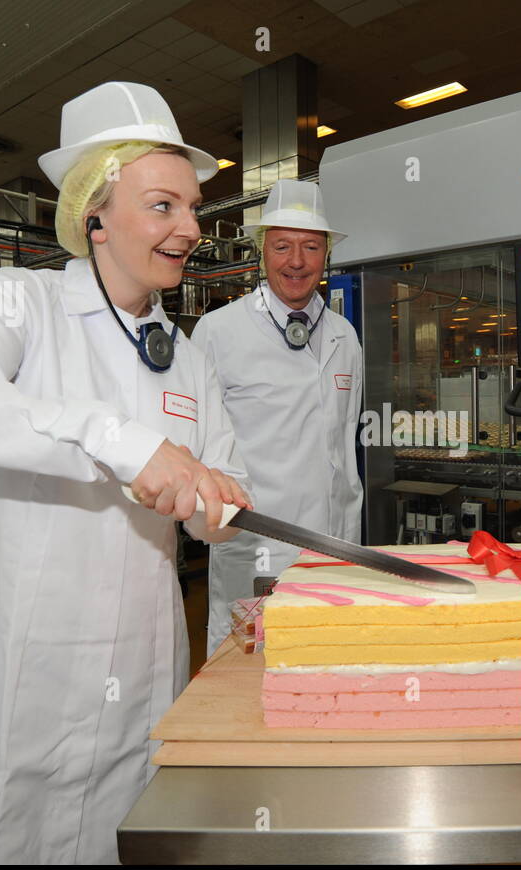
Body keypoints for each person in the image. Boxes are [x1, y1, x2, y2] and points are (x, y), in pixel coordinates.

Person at [0, 82, 251, 864]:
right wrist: (116, 439)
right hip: (19, 664)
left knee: (114, 836)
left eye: (191, 208)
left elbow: (221, 496)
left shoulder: (190, 360)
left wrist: (214, 504)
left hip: (141, 670)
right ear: (94, 215)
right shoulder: (16, 302)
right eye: (163, 206)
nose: (189, 230)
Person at [192, 180, 363, 656]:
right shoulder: (218, 332)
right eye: (283, 246)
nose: (297, 261)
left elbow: (344, 448)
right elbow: (198, 447)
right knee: (245, 676)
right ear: (261, 253)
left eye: (311, 246)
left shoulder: (344, 337)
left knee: (327, 665)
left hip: (335, 548)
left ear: (326, 255)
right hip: (254, 547)